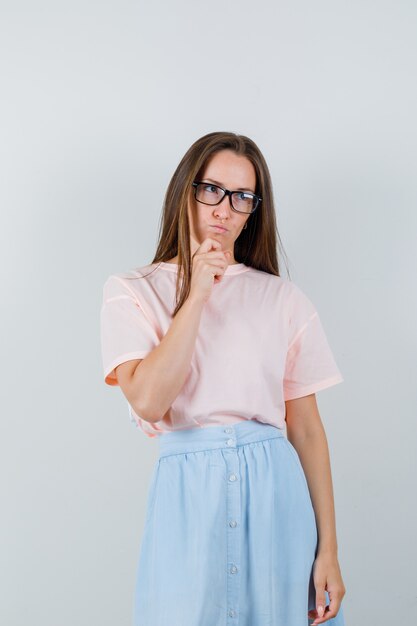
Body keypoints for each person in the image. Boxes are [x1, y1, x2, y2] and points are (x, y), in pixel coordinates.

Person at [100, 131, 347, 626]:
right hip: (188, 496)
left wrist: (329, 552)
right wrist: (196, 296)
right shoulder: (132, 291)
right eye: (211, 190)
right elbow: (149, 400)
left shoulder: (282, 300)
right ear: (185, 191)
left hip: (277, 494)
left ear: (254, 209)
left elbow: (306, 430)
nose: (224, 210)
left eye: (242, 198)